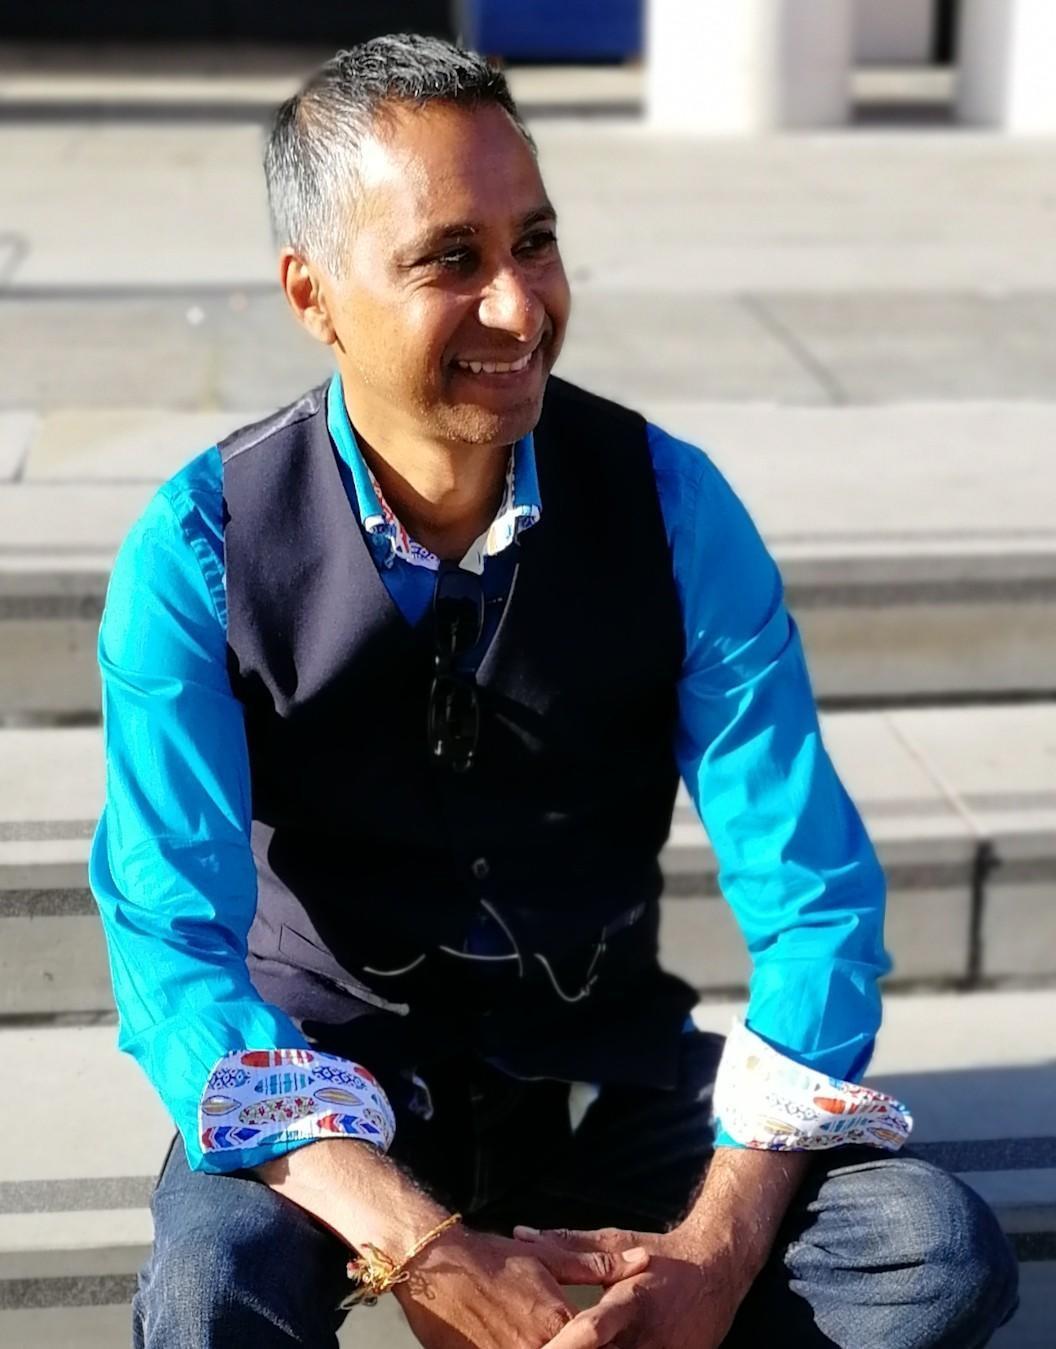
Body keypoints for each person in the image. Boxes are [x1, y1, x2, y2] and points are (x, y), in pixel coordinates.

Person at [90, 33, 1018, 1349]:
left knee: (934, 1254)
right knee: (206, 1295)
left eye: (534, 243)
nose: (522, 308)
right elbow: (171, 944)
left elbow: (816, 901)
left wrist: (714, 1252)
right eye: (451, 260)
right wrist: (418, 1243)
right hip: (331, 1092)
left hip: (601, 1080)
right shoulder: (201, 545)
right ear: (314, 295)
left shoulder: (672, 504)